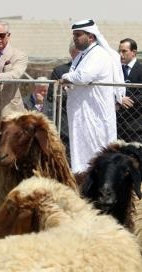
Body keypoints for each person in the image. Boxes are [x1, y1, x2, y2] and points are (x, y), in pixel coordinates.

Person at [60, 19, 125, 173]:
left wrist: (66, 76)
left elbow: (83, 76)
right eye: (74, 35)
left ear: (91, 36)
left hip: (95, 115)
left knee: (96, 151)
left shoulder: (98, 54)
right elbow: (74, 76)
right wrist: (69, 77)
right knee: (82, 152)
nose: (75, 38)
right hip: (83, 114)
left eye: (78, 35)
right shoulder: (83, 55)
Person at [49, 42, 80, 157]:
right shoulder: (60, 71)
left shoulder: (92, 70)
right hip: (65, 117)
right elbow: (52, 94)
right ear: (72, 52)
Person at [117, 38, 142, 142]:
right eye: (119, 51)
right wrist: (119, 98)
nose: (121, 54)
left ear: (134, 52)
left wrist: (129, 100)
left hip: (136, 121)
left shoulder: (140, 69)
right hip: (118, 122)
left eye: (124, 51)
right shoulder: (117, 70)